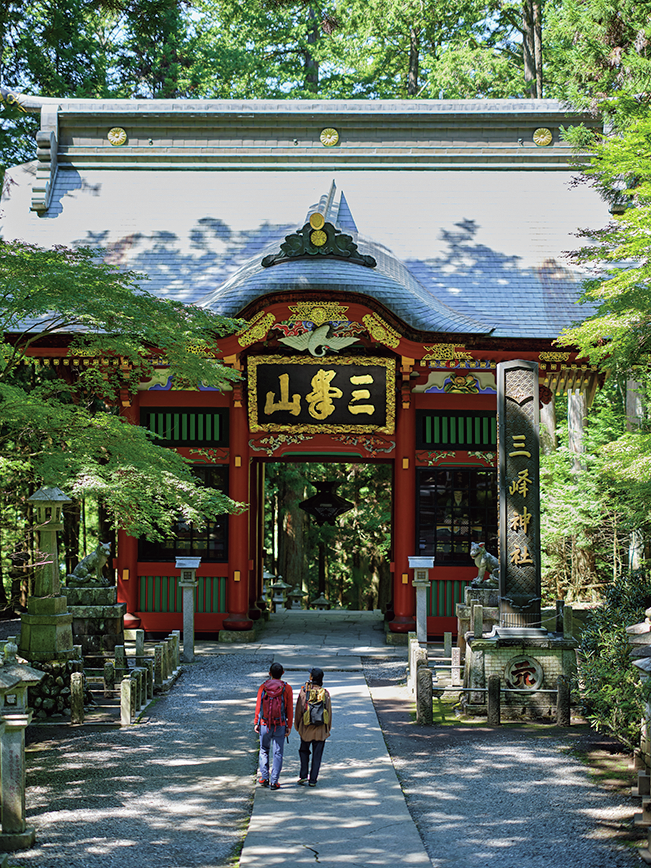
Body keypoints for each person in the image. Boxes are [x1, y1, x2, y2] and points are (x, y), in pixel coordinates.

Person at [254, 662, 293, 790]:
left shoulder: (263, 687)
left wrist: (256, 722)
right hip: (280, 724)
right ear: (282, 673)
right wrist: (289, 726)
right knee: (278, 752)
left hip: (265, 724)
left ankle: (264, 777)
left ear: (269, 674)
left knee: (264, 749)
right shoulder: (287, 688)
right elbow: (289, 710)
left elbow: (258, 707)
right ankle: (274, 781)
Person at [294, 667, 332, 787]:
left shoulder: (304, 692)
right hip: (321, 730)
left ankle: (303, 775)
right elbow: (329, 713)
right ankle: (313, 780)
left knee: (303, 751)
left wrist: (298, 727)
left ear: (311, 678)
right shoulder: (325, 693)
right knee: (317, 754)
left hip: (306, 728)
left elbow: (299, 711)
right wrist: (327, 729)